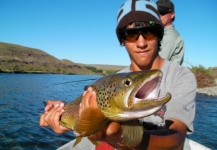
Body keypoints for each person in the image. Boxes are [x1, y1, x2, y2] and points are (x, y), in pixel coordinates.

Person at [39, 0, 197, 149]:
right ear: (122, 39)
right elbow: (88, 116)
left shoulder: (181, 77)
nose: (141, 43)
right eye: (131, 34)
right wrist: (61, 112)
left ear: (159, 34)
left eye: (149, 32)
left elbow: (175, 140)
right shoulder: (113, 81)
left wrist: (117, 134)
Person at [156, 0, 185, 65]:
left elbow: (157, 64)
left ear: (172, 15)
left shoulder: (170, 35)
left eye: (162, 12)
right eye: (156, 13)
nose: (159, 16)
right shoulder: (161, 34)